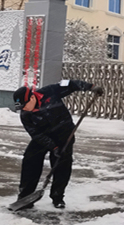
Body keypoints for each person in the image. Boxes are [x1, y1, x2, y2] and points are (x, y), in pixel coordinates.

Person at [13, 80, 104, 209]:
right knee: (30, 159)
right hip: (44, 136)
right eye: (21, 107)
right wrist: (53, 147)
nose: (24, 109)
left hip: (64, 133)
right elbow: (36, 134)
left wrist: (91, 87)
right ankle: (25, 196)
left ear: (32, 97)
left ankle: (57, 197)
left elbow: (70, 84)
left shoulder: (49, 91)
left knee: (62, 163)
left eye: (24, 105)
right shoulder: (25, 115)